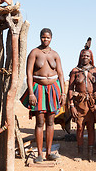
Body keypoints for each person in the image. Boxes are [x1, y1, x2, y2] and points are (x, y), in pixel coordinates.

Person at [20, 28, 66, 163]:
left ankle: (49, 152)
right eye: (43, 37)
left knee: (51, 121)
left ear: (51, 38)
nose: (45, 40)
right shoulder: (34, 53)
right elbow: (29, 73)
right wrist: (30, 93)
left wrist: (63, 93)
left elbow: (61, 74)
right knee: (40, 122)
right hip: (38, 89)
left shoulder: (55, 54)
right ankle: (40, 154)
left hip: (53, 89)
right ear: (40, 37)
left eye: (47, 38)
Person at [68, 38, 96, 161]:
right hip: (79, 104)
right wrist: (71, 105)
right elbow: (70, 89)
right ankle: (80, 152)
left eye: (87, 56)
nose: (85, 58)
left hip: (91, 105)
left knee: (91, 128)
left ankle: (90, 153)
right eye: (83, 56)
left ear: (91, 57)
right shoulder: (75, 71)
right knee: (80, 127)